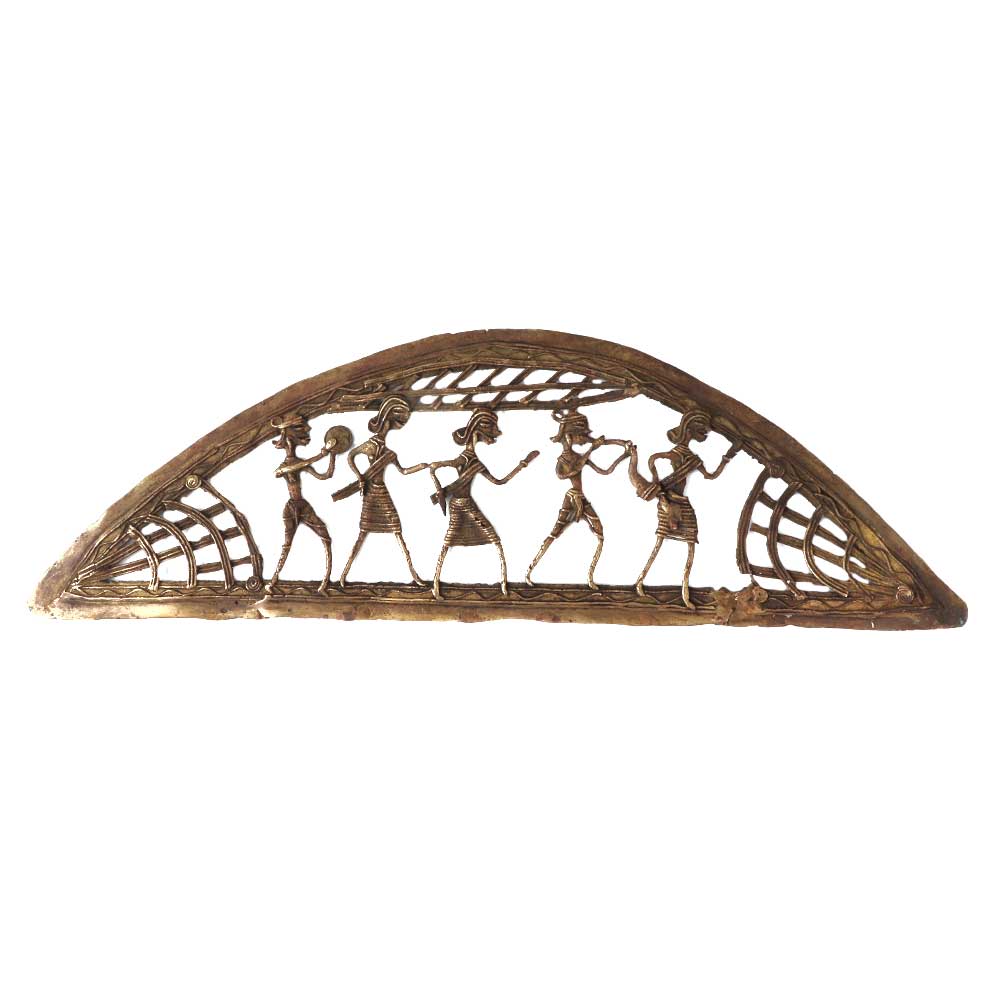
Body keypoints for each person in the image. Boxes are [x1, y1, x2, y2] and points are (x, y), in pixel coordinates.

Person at [627, 408, 740, 607]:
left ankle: (685, 592)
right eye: (700, 429)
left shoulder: (689, 460)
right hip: (669, 504)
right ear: (689, 430)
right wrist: (666, 504)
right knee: (660, 542)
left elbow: (710, 475)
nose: (703, 433)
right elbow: (657, 487)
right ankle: (640, 582)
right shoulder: (661, 457)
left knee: (690, 544)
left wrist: (728, 457)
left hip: (683, 504)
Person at [427, 408, 537, 600]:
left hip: (466, 504)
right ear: (478, 432)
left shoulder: (474, 462)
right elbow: (434, 468)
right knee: (453, 541)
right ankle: (436, 585)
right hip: (459, 506)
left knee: (490, 539)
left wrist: (522, 464)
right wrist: (435, 481)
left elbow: (499, 481)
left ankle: (503, 586)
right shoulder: (463, 459)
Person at [525, 408, 630, 589]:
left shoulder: (579, 457)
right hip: (572, 497)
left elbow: (605, 471)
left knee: (600, 534)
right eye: (580, 435)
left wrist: (624, 455)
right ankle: (529, 571)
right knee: (554, 533)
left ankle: (590, 577)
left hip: (581, 497)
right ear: (570, 436)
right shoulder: (564, 460)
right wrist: (591, 449)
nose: (583, 439)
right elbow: (565, 474)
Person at [335, 396, 427, 586]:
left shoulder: (389, 453)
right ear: (385, 421)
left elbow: (403, 471)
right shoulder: (370, 445)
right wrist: (360, 477)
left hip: (382, 492)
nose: (390, 427)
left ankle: (414, 574)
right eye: (390, 423)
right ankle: (343, 575)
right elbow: (351, 456)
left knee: (397, 529)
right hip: (371, 494)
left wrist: (421, 466)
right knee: (362, 534)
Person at [266, 413, 341, 595]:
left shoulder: (300, 463)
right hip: (291, 508)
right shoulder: (286, 466)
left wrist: (332, 455)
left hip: (303, 506)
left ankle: (325, 583)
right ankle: (273, 581)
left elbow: (326, 475)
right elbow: (279, 472)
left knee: (326, 538)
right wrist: (320, 454)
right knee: (287, 544)